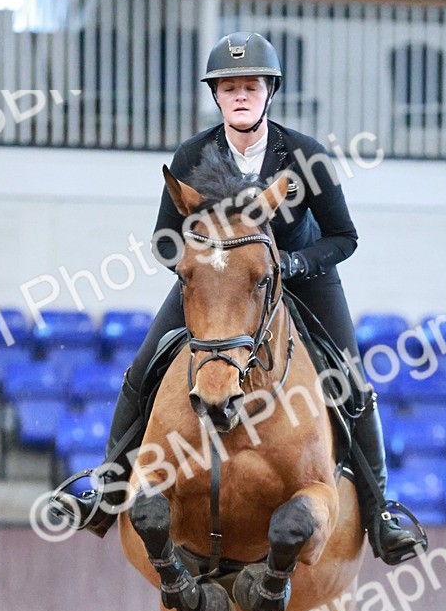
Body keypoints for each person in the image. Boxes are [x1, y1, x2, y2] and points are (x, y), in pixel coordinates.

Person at [52, 32, 425, 565]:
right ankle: (107, 489)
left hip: (301, 276)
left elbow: (345, 237)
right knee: (142, 368)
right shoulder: (192, 154)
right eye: (230, 88)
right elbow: (164, 238)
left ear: (269, 91)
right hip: (216, 283)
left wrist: (292, 265)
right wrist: (204, 265)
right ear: (218, 97)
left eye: (250, 86)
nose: (241, 95)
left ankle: (380, 511)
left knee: (351, 378)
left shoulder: (304, 156)